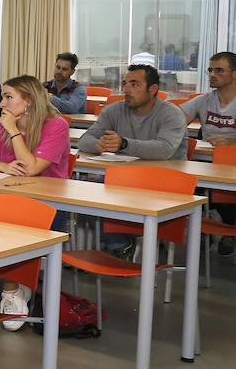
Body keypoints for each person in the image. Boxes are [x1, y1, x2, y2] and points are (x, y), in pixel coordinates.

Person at [0, 75, 71, 327]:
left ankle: (11, 290)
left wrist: (14, 131)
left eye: (8, 97)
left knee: (3, 225)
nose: (2, 104)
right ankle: (8, 286)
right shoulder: (1, 126)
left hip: (48, 207)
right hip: (10, 198)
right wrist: (3, 166)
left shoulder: (56, 126)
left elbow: (31, 168)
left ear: (29, 102)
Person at [183, 52, 236, 252]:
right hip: (205, 161)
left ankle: (228, 227)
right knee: (187, 182)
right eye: (210, 70)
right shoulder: (204, 100)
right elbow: (175, 121)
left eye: (219, 70)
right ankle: (203, 227)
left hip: (232, 164)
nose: (212, 74)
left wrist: (230, 142)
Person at [77, 64, 187, 160]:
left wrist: (124, 144)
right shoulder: (113, 110)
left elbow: (164, 149)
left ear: (152, 89)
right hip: (122, 176)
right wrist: (99, 144)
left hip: (164, 178)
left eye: (134, 85)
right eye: (125, 84)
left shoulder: (172, 114)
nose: (126, 90)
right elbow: (84, 140)